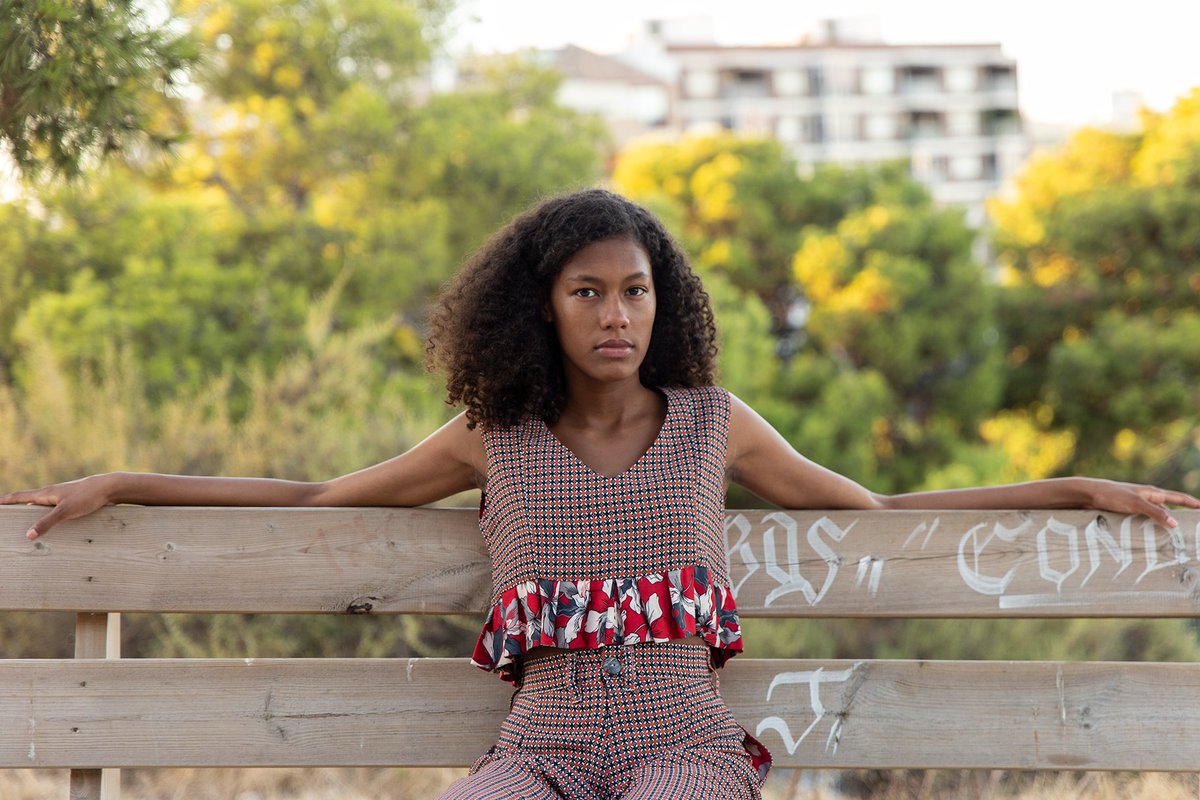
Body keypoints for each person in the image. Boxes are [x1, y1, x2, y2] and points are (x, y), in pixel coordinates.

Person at [2, 188, 1197, 799]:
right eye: (588, 293)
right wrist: (130, 480)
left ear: (659, 299)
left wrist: (1078, 484)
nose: (616, 315)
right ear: (544, 306)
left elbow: (875, 514)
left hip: (681, 740)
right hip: (547, 744)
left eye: (633, 291)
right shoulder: (494, 435)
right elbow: (321, 490)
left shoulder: (713, 424)